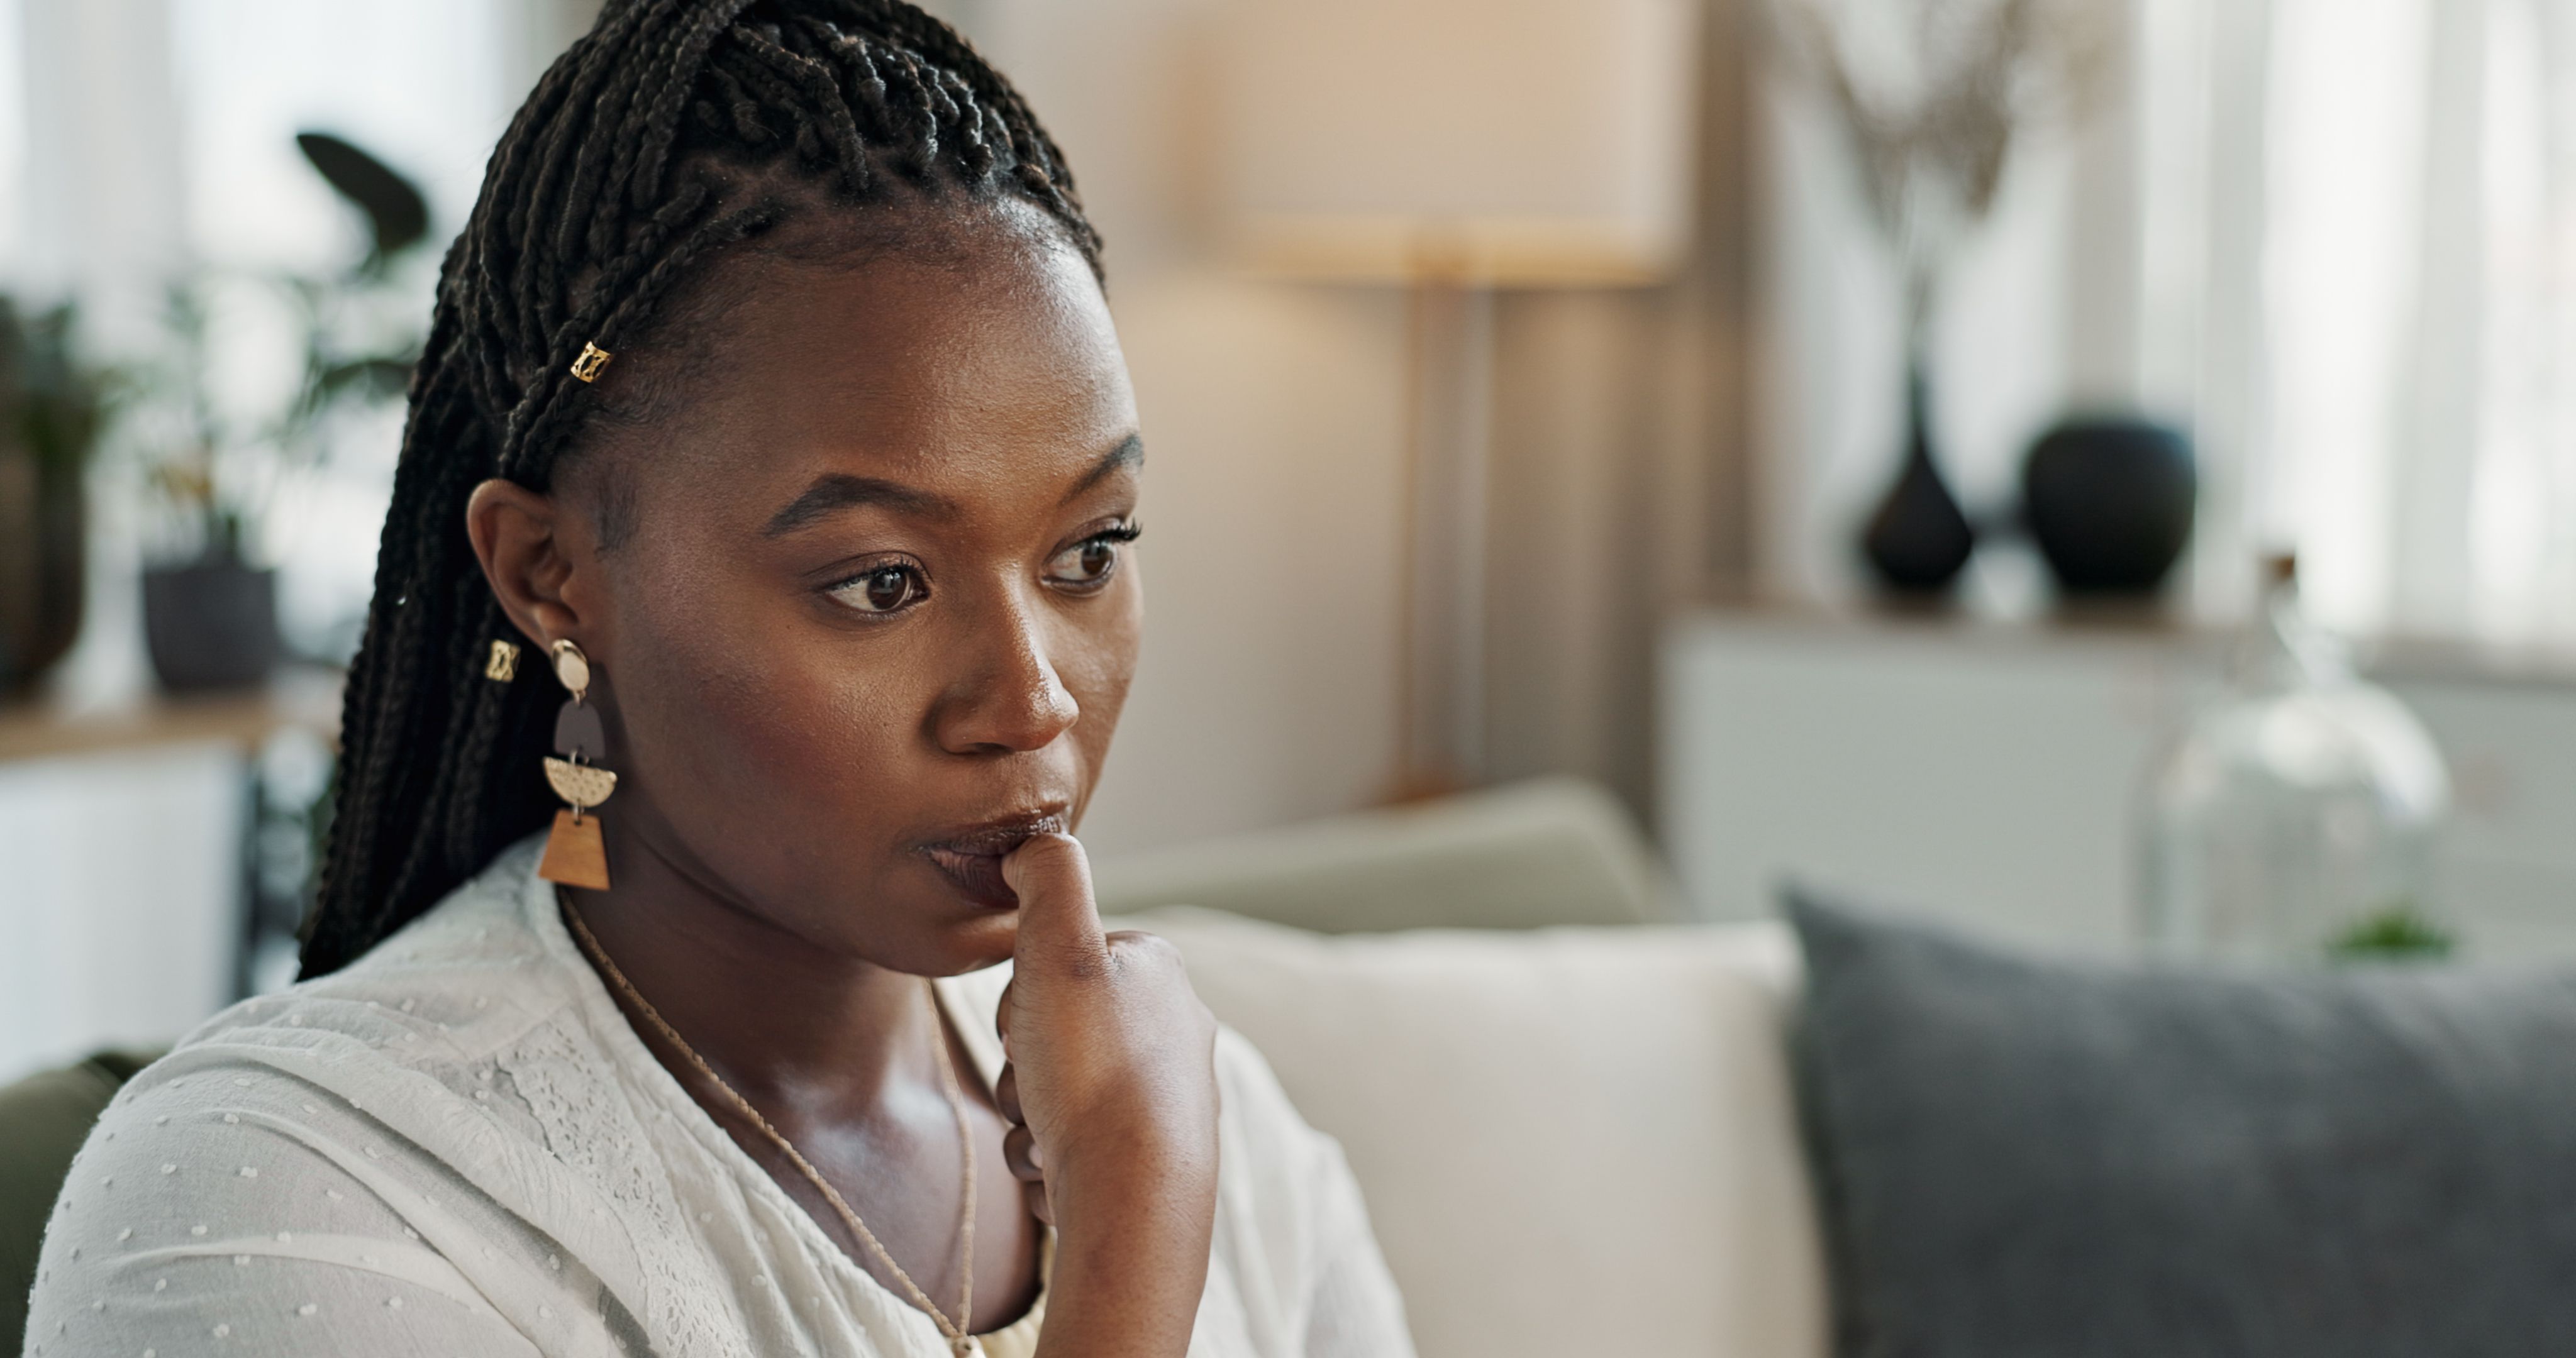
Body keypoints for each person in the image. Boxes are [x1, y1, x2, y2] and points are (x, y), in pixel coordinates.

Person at [20, 4, 1414, 1355]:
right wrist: (1128, 1270)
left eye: (1087, 550)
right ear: (549, 575)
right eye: (882, 582)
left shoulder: (1208, 1121)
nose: (1030, 701)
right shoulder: (280, 1198)